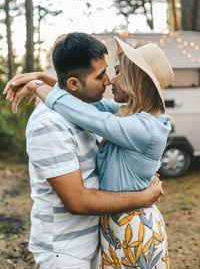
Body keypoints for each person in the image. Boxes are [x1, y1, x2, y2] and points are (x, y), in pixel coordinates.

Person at [3, 33, 164, 269]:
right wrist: (141, 198)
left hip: (93, 240)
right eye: (101, 76)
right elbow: (76, 201)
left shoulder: (93, 112)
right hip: (64, 251)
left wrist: (40, 82)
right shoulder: (49, 123)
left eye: (113, 72)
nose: (108, 81)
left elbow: (74, 101)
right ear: (74, 84)